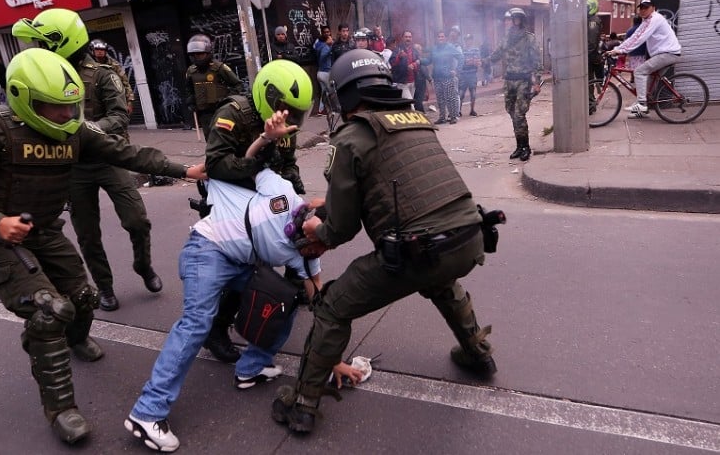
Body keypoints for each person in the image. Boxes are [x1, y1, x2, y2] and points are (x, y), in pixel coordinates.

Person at [0, 47, 206, 445]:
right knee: (49, 311)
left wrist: (184, 169)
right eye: (55, 108)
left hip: (45, 230)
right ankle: (61, 409)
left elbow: (125, 152)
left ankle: (76, 340)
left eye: (71, 106)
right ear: (25, 99)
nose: (67, 115)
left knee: (83, 296)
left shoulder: (75, 130)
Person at [270, 48, 497, 435]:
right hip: (470, 234)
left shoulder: (352, 136)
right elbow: (397, 185)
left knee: (331, 309)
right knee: (442, 283)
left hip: (420, 249)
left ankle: (302, 405)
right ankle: (478, 354)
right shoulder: (416, 120)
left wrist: (317, 232)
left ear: (343, 95)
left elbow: (341, 229)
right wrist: (334, 204)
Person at [126, 128, 327, 452]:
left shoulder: (304, 256)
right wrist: (264, 137)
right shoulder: (284, 194)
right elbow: (248, 162)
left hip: (242, 265)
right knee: (196, 322)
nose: (315, 251)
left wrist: (332, 356)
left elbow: (319, 299)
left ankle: (251, 368)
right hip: (207, 250)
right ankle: (147, 413)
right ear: (307, 218)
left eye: (321, 249)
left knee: (286, 300)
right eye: (315, 241)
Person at [13, 8, 162, 310]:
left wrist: (84, 131)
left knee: (137, 221)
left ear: (64, 41)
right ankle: (105, 287)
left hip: (109, 158)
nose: (39, 50)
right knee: (88, 235)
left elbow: (120, 117)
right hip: (73, 167)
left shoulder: (103, 75)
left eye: (45, 43)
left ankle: (143, 265)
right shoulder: (41, 77)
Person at [201, 59, 313, 363]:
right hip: (231, 197)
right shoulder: (233, 115)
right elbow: (216, 165)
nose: (293, 119)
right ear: (269, 96)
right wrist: (258, 164)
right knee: (246, 270)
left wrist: (294, 190)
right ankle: (216, 329)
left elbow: (287, 161)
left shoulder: (283, 118)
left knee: (298, 236)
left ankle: (291, 289)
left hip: (263, 195)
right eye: (289, 110)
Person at [608, 0, 682, 118]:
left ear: (653, 8)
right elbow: (634, 36)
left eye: (646, 7)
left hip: (668, 53)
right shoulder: (646, 21)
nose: (642, 10)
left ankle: (642, 103)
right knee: (651, 79)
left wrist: (621, 51)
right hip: (664, 53)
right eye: (641, 8)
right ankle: (642, 109)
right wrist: (617, 49)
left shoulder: (655, 19)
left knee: (639, 72)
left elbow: (640, 39)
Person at [485, 8, 542, 161]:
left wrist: (536, 82)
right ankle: (519, 145)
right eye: (507, 20)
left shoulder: (529, 38)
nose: (508, 22)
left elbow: (536, 60)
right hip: (509, 81)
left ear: (520, 20)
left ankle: (526, 147)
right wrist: (483, 62)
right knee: (511, 112)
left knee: (519, 114)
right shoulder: (506, 38)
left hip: (523, 80)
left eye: (511, 19)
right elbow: (496, 54)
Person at [183, 34, 244, 137]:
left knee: (225, 136)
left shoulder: (219, 68)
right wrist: (191, 100)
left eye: (200, 54)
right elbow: (189, 89)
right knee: (210, 138)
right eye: (194, 55)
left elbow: (237, 85)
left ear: (207, 53)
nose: (197, 57)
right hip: (204, 113)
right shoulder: (191, 71)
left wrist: (228, 101)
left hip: (221, 111)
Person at [90, 39, 136, 114]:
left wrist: (129, 102)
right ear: (92, 51)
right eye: (97, 49)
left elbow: (126, 83)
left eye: (102, 49)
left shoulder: (114, 66)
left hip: (114, 100)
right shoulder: (88, 65)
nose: (100, 51)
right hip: (96, 103)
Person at [430, 30, 464, 124]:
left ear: (445, 38)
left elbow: (461, 57)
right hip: (437, 77)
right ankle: (442, 117)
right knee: (440, 99)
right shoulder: (434, 49)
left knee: (450, 97)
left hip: (448, 77)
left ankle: (453, 117)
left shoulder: (450, 47)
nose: (440, 38)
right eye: (439, 37)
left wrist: (457, 70)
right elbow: (429, 60)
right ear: (436, 38)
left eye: (442, 36)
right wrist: (419, 61)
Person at [389, 31, 422, 101]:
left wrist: (414, 65)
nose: (408, 39)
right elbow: (392, 63)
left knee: (409, 103)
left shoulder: (414, 50)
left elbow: (419, 61)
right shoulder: (397, 50)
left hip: (413, 82)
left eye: (409, 37)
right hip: (402, 83)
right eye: (406, 37)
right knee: (410, 103)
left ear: (412, 38)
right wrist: (399, 57)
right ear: (402, 38)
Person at [587, 0, 604, 113]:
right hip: (591, 56)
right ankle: (590, 105)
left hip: (591, 56)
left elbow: (591, 42)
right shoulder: (590, 20)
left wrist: (582, 56)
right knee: (588, 82)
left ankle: (590, 106)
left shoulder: (593, 21)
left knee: (588, 82)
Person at [313, 26, 334, 117]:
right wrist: (328, 45)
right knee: (330, 91)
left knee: (325, 91)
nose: (327, 34)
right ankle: (329, 108)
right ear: (322, 33)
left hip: (328, 71)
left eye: (328, 32)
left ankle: (321, 109)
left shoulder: (331, 42)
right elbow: (321, 55)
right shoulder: (320, 44)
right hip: (324, 72)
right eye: (325, 32)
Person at [459, 34, 481, 117]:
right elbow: (462, 62)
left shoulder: (476, 49)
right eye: (467, 40)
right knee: (461, 94)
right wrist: (470, 61)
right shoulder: (462, 50)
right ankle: (458, 110)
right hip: (463, 75)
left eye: (469, 39)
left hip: (472, 74)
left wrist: (469, 61)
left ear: (472, 40)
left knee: (473, 94)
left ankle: (472, 110)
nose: (468, 41)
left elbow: (477, 61)